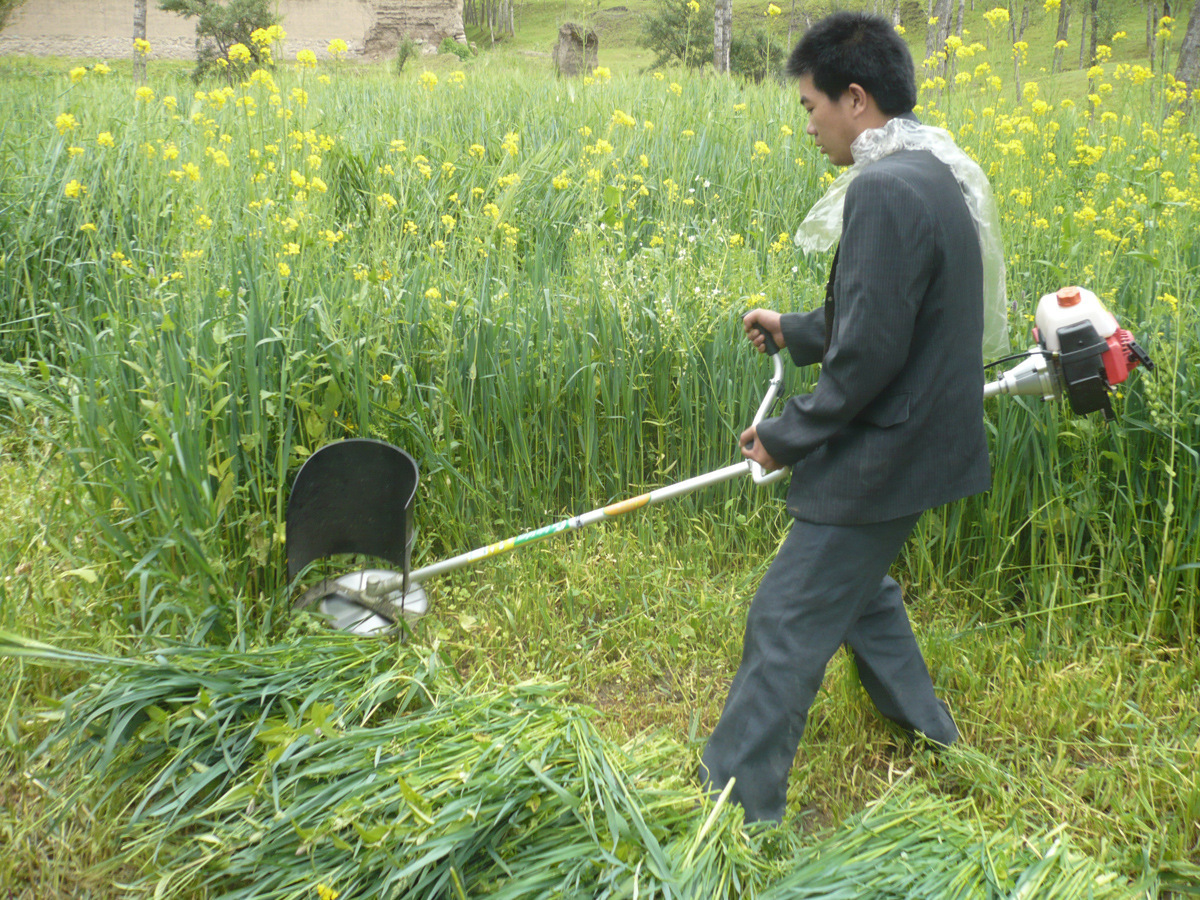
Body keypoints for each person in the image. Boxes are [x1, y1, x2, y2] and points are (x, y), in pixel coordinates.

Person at [698, 11, 1007, 824]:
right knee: (862, 593)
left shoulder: (881, 188)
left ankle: (735, 814)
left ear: (856, 99)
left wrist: (786, 435)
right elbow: (886, 316)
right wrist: (796, 331)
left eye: (810, 106)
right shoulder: (929, 168)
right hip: (921, 439)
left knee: (788, 614)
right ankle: (933, 737)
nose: (808, 125)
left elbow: (868, 358)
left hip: (888, 449)